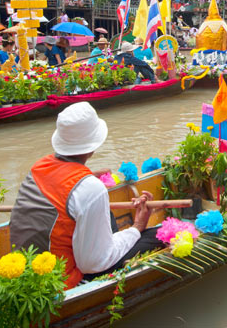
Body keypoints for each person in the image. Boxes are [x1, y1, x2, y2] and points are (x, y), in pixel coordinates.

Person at [9, 102, 163, 289]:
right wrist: (137, 227)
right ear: (92, 147)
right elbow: (93, 264)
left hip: (25, 267)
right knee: (159, 235)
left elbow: (63, 185)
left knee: (106, 215)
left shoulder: (39, 166)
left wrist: (88, 178)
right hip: (63, 281)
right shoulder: (90, 188)